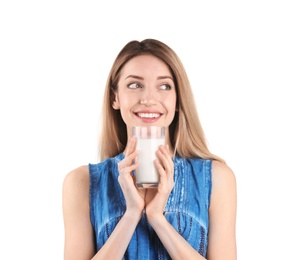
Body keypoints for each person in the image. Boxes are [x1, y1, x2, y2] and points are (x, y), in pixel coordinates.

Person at [62, 38, 237, 260]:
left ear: (177, 100)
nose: (148, 99)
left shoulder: (216, 178)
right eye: (135, 85)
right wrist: (131, 214)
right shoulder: (82, 182)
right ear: (115, 97)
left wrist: (157, 218)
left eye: (164, 86)